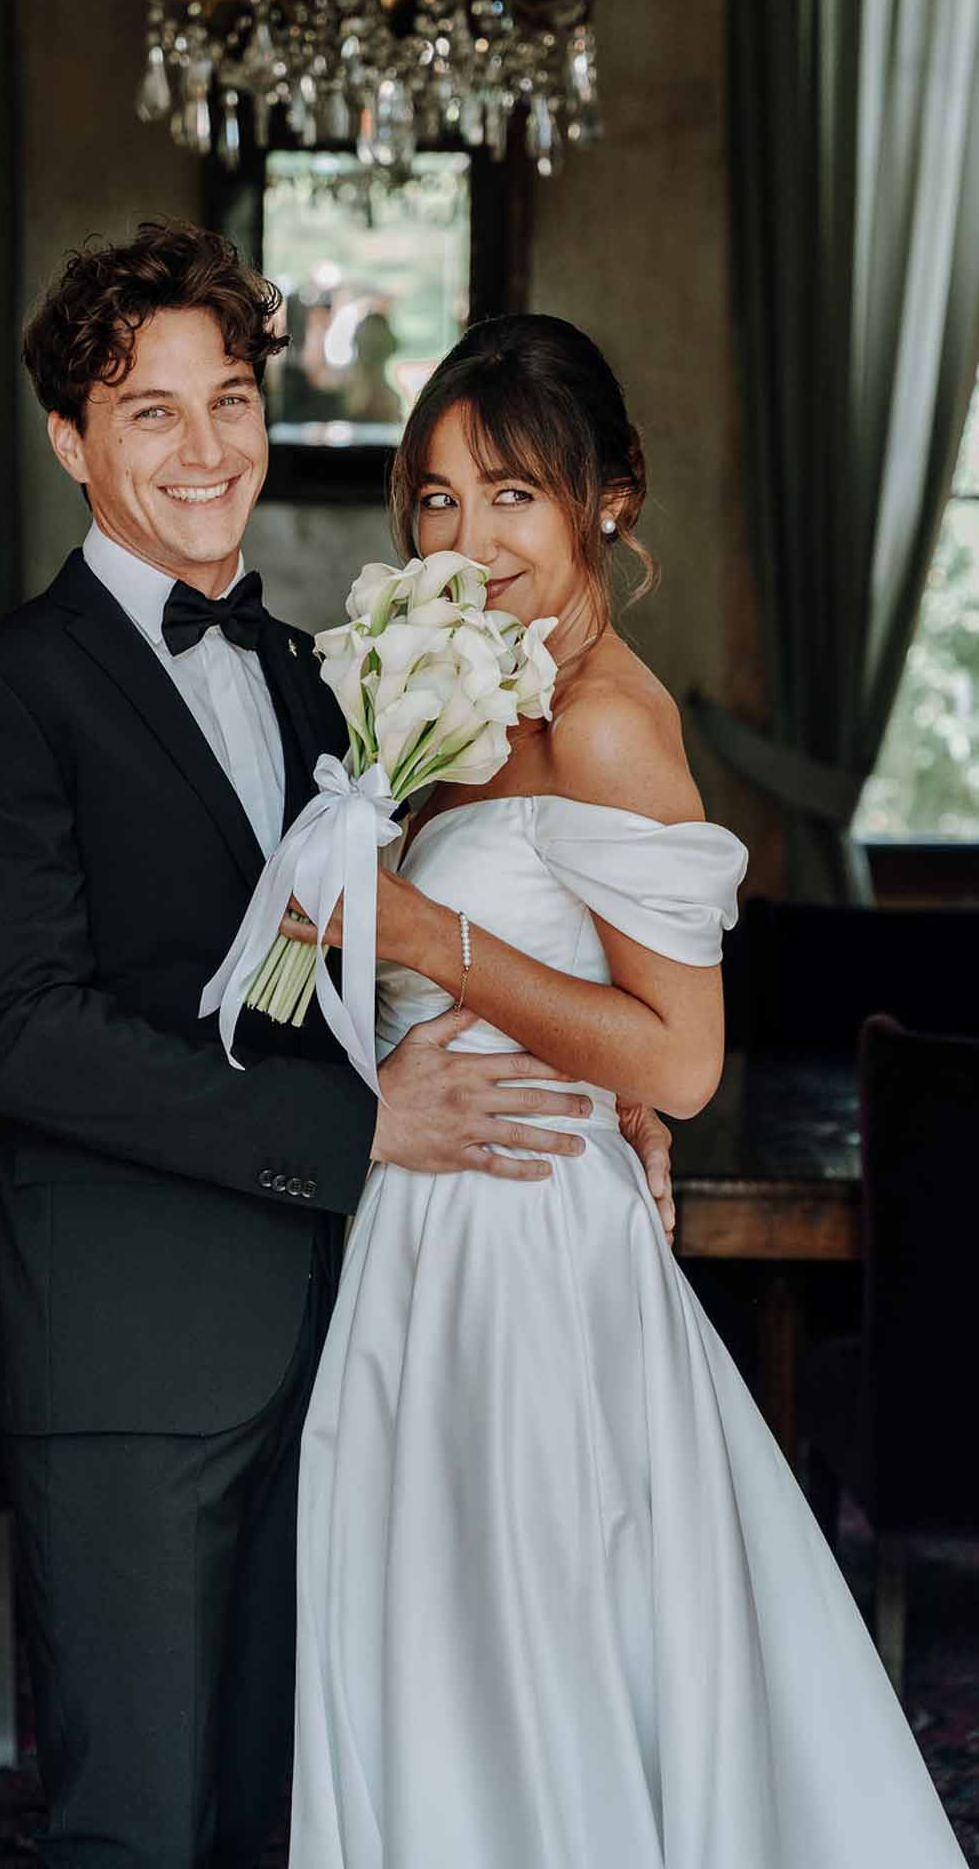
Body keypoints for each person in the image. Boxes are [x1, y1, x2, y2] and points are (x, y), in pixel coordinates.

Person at [0, 227, 673, 1869]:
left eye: (230, 401)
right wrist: (364, 1135)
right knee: (139, 1828)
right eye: (151, 413)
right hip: (136, 1354)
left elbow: (374, 970)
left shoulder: (329, 682)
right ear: (72, 443)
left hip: (357, 1338)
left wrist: (608, 1086)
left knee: (297, 1812)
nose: (206, 451)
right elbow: (23, 1038)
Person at [285, 314, 967, 1868]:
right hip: (419, 1235)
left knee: (532, 1655)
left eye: (512, 494)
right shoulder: (458, 700)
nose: (467, 536)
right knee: (426, 1648)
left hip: (528, 1255)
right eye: (439, 497)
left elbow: (678, 1054)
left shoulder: (604, 718)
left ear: (608, 498)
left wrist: (419, 933)